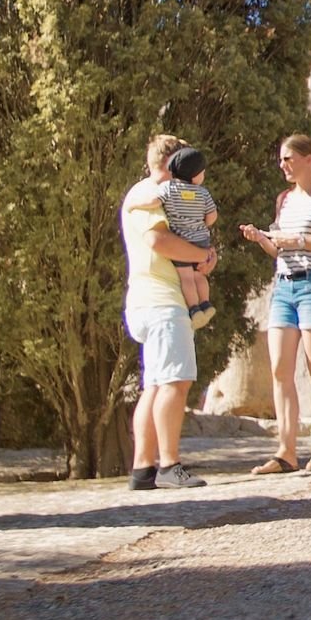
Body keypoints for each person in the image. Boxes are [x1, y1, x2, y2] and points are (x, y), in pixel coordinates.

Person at [239, 134, 311, 476]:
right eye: (281, 159)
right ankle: (285, 452)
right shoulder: (283, 199)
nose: (282, 165)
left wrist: (298, 240)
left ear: (309, 159)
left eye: (288, 158)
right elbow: (279, 249)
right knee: (280, 370)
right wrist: (263, 239)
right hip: (284, 286)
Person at [122, 134, 214, 490]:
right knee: (177, 380)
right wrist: (202, 255)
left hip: (152, 299)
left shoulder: (153, 194)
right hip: (162, 301)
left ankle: (143, 469)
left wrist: (201, 258)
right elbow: (158, 241)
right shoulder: (152, 193)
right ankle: (169, 465)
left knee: (157, 384)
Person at [128, 145, 218, 329]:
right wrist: (203, 228)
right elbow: (212, 216)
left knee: (186, 278)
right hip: (200, 240)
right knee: (199, 276)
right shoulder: (203, 193)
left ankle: (194, 309)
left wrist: (135, 205)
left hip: (182, 238)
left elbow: (154, 201)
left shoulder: (168, 188)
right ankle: (205, 303)